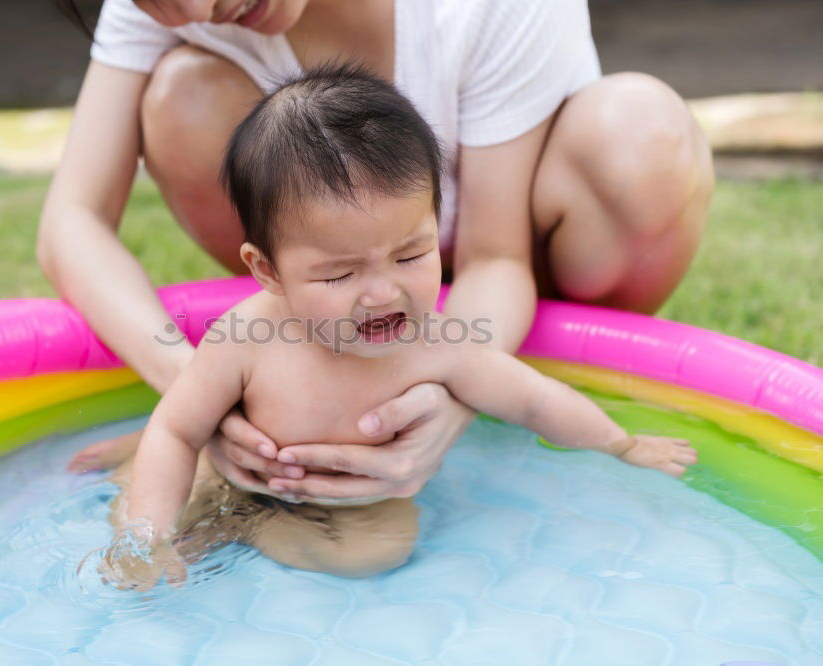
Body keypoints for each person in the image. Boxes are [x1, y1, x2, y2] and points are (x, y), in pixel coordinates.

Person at [39, 0, 713, 505]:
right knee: (181, 92)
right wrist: (196, 394)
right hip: (325, 315)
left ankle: (499, 359)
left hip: (515, 272)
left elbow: (495, 259)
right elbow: (71, 223)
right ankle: (297, 378)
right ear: (263, 269)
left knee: (640, 130)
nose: (196, 10)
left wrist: (452, 388)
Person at [98, 65, 697, 589]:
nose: (382, 292)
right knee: (146, 490)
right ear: (268, 269)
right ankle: (171, 521)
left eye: (411, 256)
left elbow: (537, 402)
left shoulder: (439, 344)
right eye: (339, 274)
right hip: (234, 463)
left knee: (377, 551)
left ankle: (249, 527)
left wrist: (620, 443)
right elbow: (178, 428)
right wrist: (146, 535)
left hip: (352, 505)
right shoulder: (247, 337)